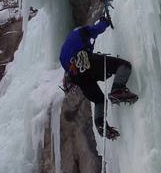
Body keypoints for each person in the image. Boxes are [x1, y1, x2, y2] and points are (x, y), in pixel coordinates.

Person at [59, 11, 138, 140]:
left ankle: (101, 126)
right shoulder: (81, 32)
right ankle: (117, 90)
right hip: (89, 65)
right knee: (124, 66)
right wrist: (105, 22)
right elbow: (97, 29)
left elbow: (68, 68)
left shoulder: (64, 51)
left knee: (98, 99)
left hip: (79, 78)